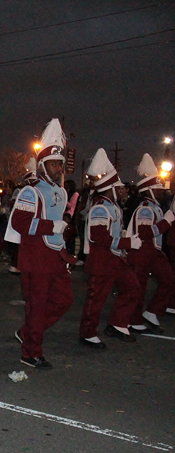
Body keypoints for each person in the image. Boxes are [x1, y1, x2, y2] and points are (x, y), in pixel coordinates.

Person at [4, 118, 74, 369]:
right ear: (43, 166)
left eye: (60, 164)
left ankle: (27, 332)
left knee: (64, 300)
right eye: (54, 164)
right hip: (35, 258)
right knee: (37, 307)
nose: (58, 168)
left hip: (55, 256)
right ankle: (31, 352)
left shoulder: (62, 192)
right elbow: (20, 223)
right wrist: (51, 226)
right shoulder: (30, 191)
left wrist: (63, 227)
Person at [79, 148, 142, 348]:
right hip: (103, 261)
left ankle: (117, 324)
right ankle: (88, 333)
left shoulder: (111, 205)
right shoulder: (100, 207)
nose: (123, 190)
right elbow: (99, 238)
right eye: (119, 187)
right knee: (96, 299)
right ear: (110, 188)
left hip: (115, 258)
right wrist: (127, 243)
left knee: (132, 288)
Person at [127, 154, 175, 333]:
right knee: (139, 287)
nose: (162, 192)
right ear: (148, 191)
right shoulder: (146, 209)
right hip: (142, 252)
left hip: (153, 252)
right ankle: (134, 319)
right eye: (157, 189)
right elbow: (145, 233)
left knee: (168, 280)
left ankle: (152, 312)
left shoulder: (154, 207)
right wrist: (166, 223)